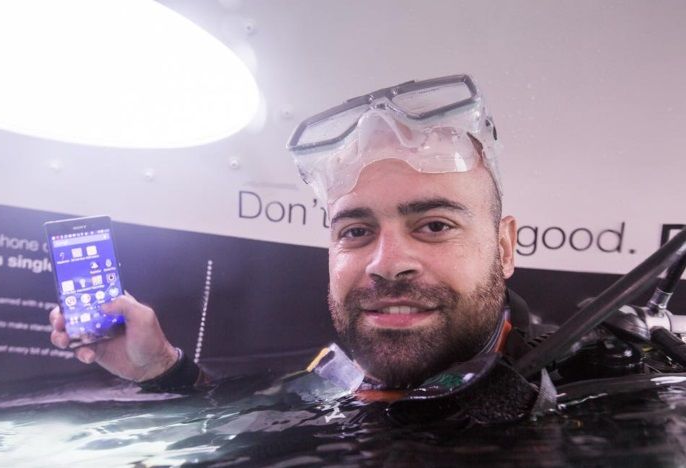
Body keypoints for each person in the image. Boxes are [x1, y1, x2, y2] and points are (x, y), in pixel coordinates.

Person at [49, 74, 538, 394]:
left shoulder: (574, 395)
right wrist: (159, 369)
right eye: (356, 230)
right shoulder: (334, 385)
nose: (386, 263)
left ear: (503, 248)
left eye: (434, 226)